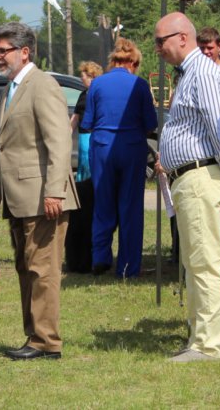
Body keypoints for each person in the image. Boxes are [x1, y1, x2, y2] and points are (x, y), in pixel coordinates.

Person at [155, 12, 220, 363]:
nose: (158, 48)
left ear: (182, 37)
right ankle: (198, 337)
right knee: (195, 263)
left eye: (160, 40)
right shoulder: (192, 73)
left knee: (205, 263)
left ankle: (207, 346)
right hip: (188, 178)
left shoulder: (205, 73)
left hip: (199, 178)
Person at [0, 22, 79, 361]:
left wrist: (55, 191)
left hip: (43, 197)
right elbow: (9, 148)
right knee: (27, 268)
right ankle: (34, 336)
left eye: (2, 50)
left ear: (24, 52)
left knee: (43, 270)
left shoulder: (42, 85)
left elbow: (59, 142)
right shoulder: (11, 87)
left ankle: (46, 342)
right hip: (19, 196)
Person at [82, 38, 157, 277]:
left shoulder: (97, 84)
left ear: (113, 61)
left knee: (102, 204)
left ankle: (100, 256)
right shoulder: (140, 85)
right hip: (132, 147)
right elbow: (151, 124)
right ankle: (127, 266)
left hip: (102, 147)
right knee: (130, 208)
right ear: (133, 62)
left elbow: (88, 123)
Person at [70, 61, 103, 182]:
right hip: (83, 135)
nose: (81, 78)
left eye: (82, 76)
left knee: (90, 164)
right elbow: (76, 116)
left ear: (91, 76)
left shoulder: (99, 93)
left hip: (94, 135)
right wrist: (68, 131)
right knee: (83, 164)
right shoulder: (83, 94)